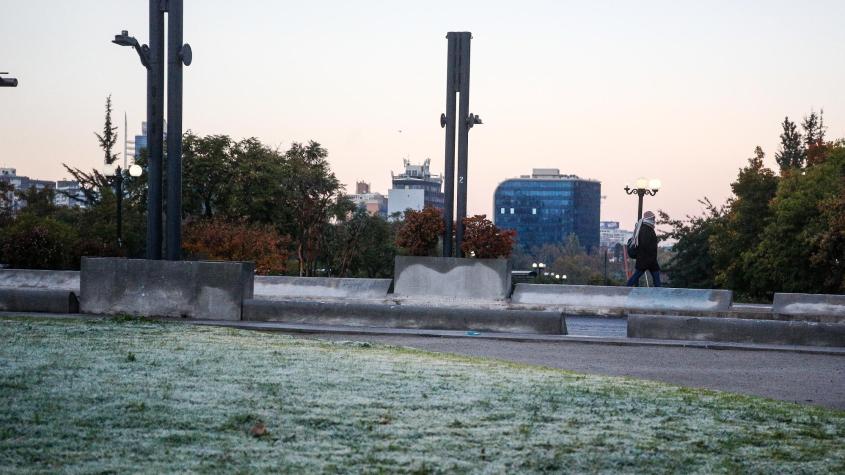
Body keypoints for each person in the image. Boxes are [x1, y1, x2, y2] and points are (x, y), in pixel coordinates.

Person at [626, 210, 661, 287]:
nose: (654, 220)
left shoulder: (645, 228)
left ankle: (625, 290)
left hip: (647, 259)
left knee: (654, 277)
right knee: (637, 276)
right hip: (646, 259)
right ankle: (624, 291)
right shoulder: (646, 229)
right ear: (650, 219)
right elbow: (645, 244)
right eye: (653, 218)